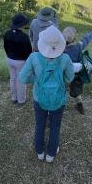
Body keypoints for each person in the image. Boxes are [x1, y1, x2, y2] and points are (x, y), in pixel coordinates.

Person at [19, 25, 74, 163]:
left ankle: (40, 151)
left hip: (39, 98)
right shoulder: (66, 58)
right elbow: (69, 78)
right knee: (55, 126)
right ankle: (51, 154)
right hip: (58, 98)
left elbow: (23, 78)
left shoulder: (33, 57)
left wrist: (36, 80)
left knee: (40, 125)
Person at [62, 26, 92, 114]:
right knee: (76, 91)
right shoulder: (78, 46)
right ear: (74, 38)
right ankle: (80, 105)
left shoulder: (60, 49)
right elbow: (85, 40)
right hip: (76, 75)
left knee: (61, 90)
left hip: (64, 75)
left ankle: (60, 106)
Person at [3, 13, 32, 105]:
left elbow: (5, 47)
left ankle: (14, 98)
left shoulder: (7, 33)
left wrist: (9, 55)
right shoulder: (24, 37)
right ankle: (21, 100)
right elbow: (29, 51)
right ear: (22, 25)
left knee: (12, 78)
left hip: (10, 59)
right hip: (21, 61)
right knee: (21, 81)